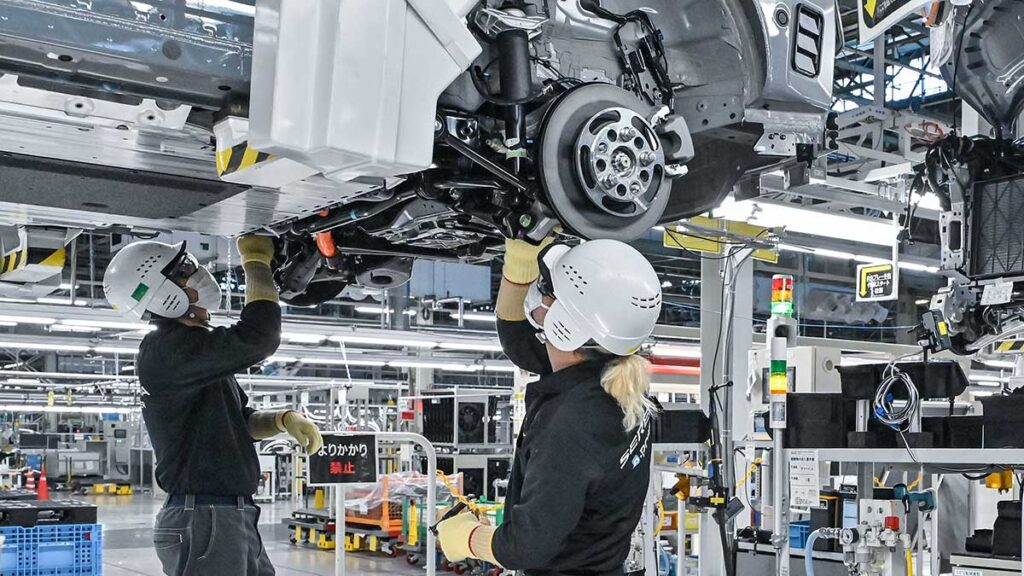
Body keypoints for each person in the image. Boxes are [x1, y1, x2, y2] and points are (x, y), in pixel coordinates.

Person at [436, 236, 663, 575]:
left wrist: (468, 538)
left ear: (566, 324)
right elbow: (520, 342)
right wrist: (518, 268)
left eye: (547, 290)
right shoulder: (609, 385)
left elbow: (526, 548)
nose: (539, 294)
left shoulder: (571, 424)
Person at [103, 236, 323, 576]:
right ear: (160, 292)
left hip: (226, 515)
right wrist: (255, 260)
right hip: (206, 517)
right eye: (183, 272)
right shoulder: (169, 350)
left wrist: (282, 420)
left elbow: (240, 421)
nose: (197, 274)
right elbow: (259, 336)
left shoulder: (193, 353)